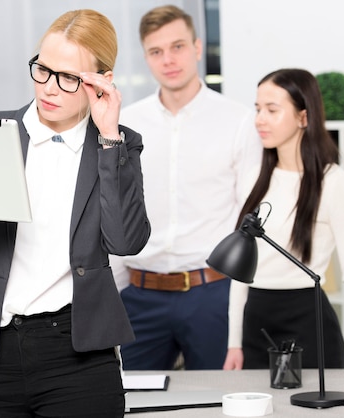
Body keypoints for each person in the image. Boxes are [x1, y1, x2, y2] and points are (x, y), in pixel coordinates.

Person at [0, 9, 150, 417]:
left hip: (78, 354)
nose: (49, 88)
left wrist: (107, 138)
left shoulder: (118, 143)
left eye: (69, 78)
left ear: (100, 80)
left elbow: (125, 241)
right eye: (43, 70)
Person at [114, 4, 262, 371]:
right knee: (130, 401)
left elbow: (250, 219)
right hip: (138, 295)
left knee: (219, 402)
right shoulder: (124, 123)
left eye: (178, 46)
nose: (168, 59)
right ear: (146, 58)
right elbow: (114, 208)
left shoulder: (239, 121)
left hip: (212, 294)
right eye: (156, 51)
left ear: (197, 48)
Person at [223, 68, 344, 377]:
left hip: (308, 320)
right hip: (256, 321)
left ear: (303, 117)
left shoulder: (335, 183)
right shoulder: (254, 179)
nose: (260, 118)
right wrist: (234, 343)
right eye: (258, 108)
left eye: (272, 110)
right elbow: (240, 269)